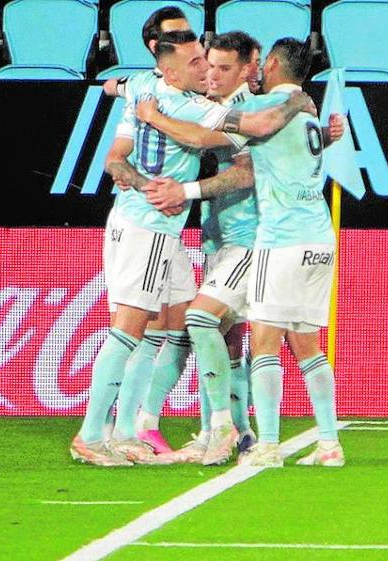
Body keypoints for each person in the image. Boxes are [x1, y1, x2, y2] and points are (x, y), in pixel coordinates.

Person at [135, 39, 346, 467]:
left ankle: (263, 443)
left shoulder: (264, 108)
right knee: (306, 347)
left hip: (278, 239)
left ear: (264, 63)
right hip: (318, 237)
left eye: (223, 67)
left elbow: (228, 133)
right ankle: (327, 443)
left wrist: (155, 116)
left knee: (263, 344)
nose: (212, 75)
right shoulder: (302, 110)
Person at [136, 31, 263, 466]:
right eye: (209, 65)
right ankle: (232, 433)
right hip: (218, 238)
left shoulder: (248, 112)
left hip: (249, 241)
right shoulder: (218, 109)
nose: (211, 74)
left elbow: (244, 174)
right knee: (227, 342)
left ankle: (223, 428)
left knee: (199, 318)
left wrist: (185, 189)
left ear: (248, 68)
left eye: (224, 68)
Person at [100, 6, 198, 455]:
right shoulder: (152, 92)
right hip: (145, 222)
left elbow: (112, 84)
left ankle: (140, 422)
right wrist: (143, 183)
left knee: (174, 324)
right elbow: (115, 157)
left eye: (191, 36)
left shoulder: (140, 88)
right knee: (133, 324)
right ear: (158, 51)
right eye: (176, 38)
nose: (191, 44)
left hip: (170, 229)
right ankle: (103, 430)